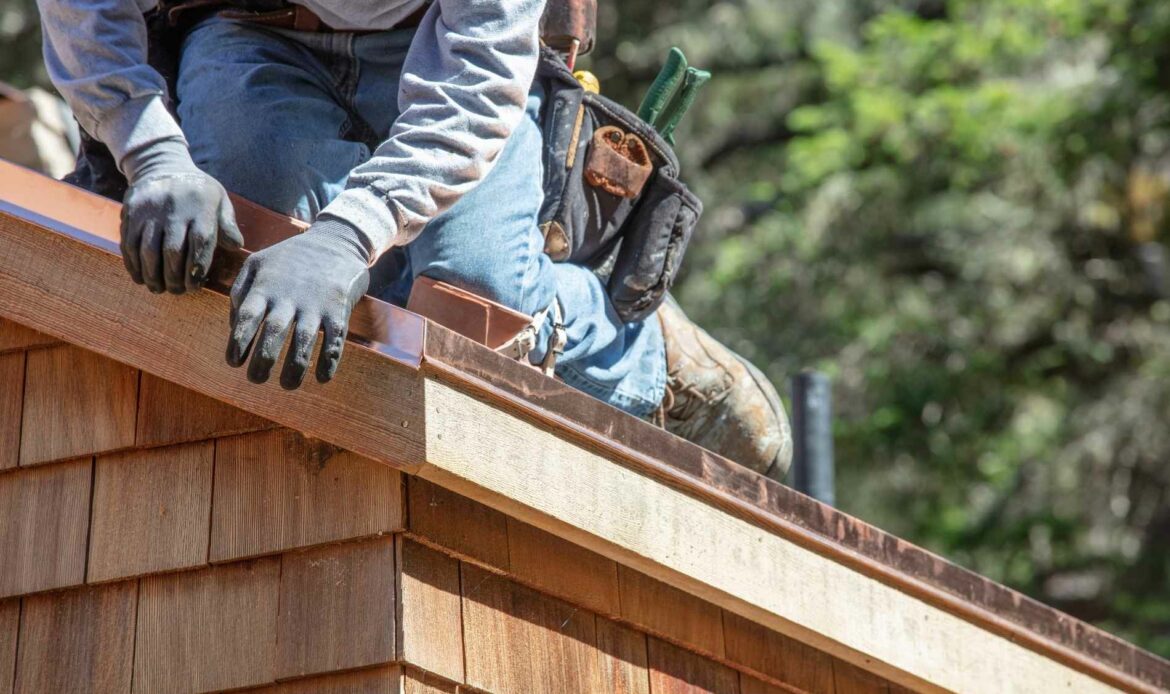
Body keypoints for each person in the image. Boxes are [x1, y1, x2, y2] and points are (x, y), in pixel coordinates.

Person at [36, 0, 792, 477]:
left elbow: (473, 83)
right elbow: (84, 11)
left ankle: (646, 360)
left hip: (444, 44)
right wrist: (153, 153)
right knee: (246, 249)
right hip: (246, 31)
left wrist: (344, 239)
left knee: (469, 313)